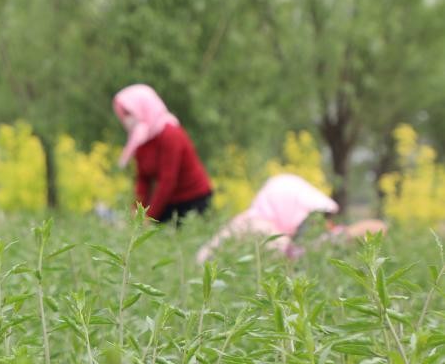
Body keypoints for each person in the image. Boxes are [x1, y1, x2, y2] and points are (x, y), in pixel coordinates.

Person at [196, 173, 385, 263]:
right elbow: (298, 255)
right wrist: (345, 235)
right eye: (313, 218)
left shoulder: (249, 220)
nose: (320, 225)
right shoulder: (262, 231)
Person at [113, 83, 212, 223]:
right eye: (125, 114)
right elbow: (143, 179)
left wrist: (148, 218)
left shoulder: (170, 133)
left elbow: (168, 181)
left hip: (193, 201)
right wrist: (136, 210)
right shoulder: (142, 137)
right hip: (169, 201)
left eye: (130, 113)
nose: (127, 119)